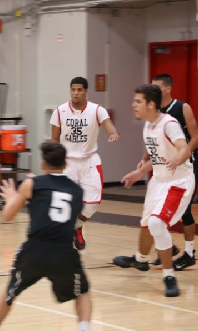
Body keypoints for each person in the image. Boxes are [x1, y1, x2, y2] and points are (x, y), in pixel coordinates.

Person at [0, 142, 91, 331]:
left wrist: (11, 197)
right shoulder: (77, 191)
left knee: (10, 292)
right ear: (65, 163)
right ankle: (84, 327)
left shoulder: (31, 184)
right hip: (63, 252)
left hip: (35, 251)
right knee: (82, 291)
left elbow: (8, 215)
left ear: (43, 164)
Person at [113, 84, 194, 297]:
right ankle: (141, 260)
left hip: (178, 181)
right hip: (159, 180)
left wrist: (178, 159)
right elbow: (158, 158)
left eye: (138, 101)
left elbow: (184, 148)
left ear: (151, 104)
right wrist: (139, 172)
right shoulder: (148, 126)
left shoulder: (169, 124)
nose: (133, 105)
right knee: (147, 223)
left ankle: (169, 275)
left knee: (158, 224)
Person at [50, 77, 120, 250]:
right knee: (64, 202)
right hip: (67, 162)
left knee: (91, 205)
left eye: (79, 89)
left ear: (86, 91)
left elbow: (108, 125)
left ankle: (78, 227)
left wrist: (113, 133)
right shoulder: (60, 111)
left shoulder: (97, 110)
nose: (76, 93)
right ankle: (60, 238)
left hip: (89, 161)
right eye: (73, 89)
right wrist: (53, 163)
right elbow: (54, 139)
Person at [138, 74, 197, 270]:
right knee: (156, 214)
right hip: (164, 166)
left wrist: (181, 155)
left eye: (157, 86)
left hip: (184, 164)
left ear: (167, 89)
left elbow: (195, 136)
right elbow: (154, 142)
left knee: (185, 211)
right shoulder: (154, 114)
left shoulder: (182, 108)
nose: (154, 89)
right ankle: (166, 249)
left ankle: (189, 252)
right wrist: (145, 159)